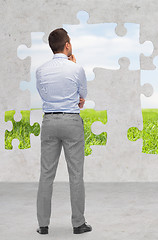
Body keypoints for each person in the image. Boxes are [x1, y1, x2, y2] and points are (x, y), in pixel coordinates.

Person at [35, 28, 92, 235]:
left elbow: (43, 94)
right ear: (67, 45)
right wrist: (78, 97)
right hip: (71, 121)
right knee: (76, 174)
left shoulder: (40, 70)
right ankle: (78, 224)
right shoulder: (76, 68)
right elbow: (83, 93)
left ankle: (43, 225)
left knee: (46, 175)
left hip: (49, 122)